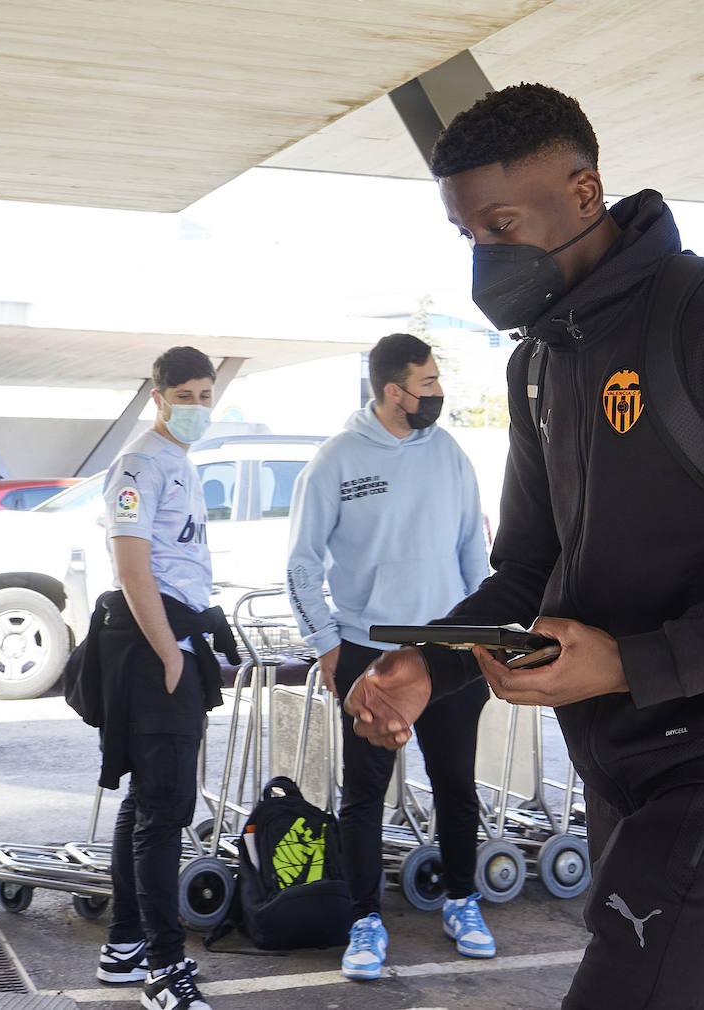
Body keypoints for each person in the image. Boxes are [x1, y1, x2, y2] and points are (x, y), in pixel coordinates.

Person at [342, 83, 704, 1010]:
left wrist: (634, 661)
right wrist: (429, 663)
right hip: (626, 764)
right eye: (470, 236)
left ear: (584, 192)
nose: (488, 257)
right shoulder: (541, 365)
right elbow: (529, 566)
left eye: (501, 224)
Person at [286, 334, 495, 975]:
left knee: (457, 786)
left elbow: (474, 556)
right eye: (426, 384)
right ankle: (364, 921)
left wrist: (481, 638)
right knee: (365, 796)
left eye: (436, 381)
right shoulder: (336, 460)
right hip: (369, 655)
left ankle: (462, 899)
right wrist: (326, 644)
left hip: (450, 656)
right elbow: (301, 564)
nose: (437, 393)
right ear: (391, 391)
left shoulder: (452, 456)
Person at [96, 346, 225, 1010]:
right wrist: (171, 656)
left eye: (206, 396)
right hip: (154, 651)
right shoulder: (140, 463)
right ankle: (164, 971)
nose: (198, 407)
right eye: (187, 396)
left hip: (176, 644)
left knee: (148, 803)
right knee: (164, 811)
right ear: (159, 397)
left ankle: (124, 945)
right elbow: (133, 567)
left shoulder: (181, 463)